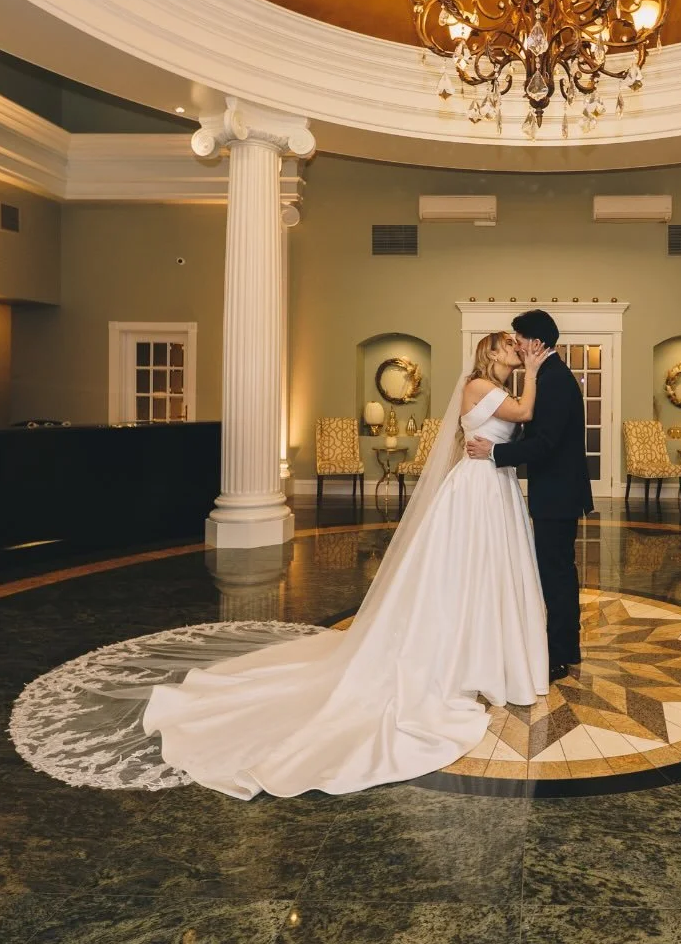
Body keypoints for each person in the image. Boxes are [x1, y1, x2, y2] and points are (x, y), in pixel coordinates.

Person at [129, 332, 551, 798]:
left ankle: (489, 653)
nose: (516, 347)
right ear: (491, 353)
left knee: (491, 576)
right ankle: (461, 657)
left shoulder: (500, 390)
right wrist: (533, 371)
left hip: (497, 485)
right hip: (477, 490)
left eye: (519, 345)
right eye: (509, 344)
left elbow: (516, 426)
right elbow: (525, 415)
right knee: (466, 572)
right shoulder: (477, 386)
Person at [466, 309, 594, 681]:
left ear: (535, 342)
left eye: (518, 338)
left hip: (558, 493)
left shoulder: (553, 380)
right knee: (556, 572)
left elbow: (545, 443)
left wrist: (495, 452)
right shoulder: (548, 376)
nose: (516, 344)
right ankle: (563, 647)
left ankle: (560, 654)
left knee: (556, 575)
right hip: (554, 491)